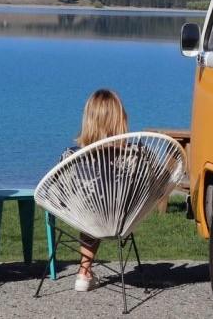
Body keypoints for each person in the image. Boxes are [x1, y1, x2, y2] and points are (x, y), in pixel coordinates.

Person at [65, 89, 129, 292]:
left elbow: (58, 189)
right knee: (97, 208)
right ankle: (85, 273)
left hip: (88, 217)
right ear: (120, 119)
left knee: (89, 208)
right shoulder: (135, 156)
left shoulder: (72, 157)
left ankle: (84, 271)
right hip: (122, 218)